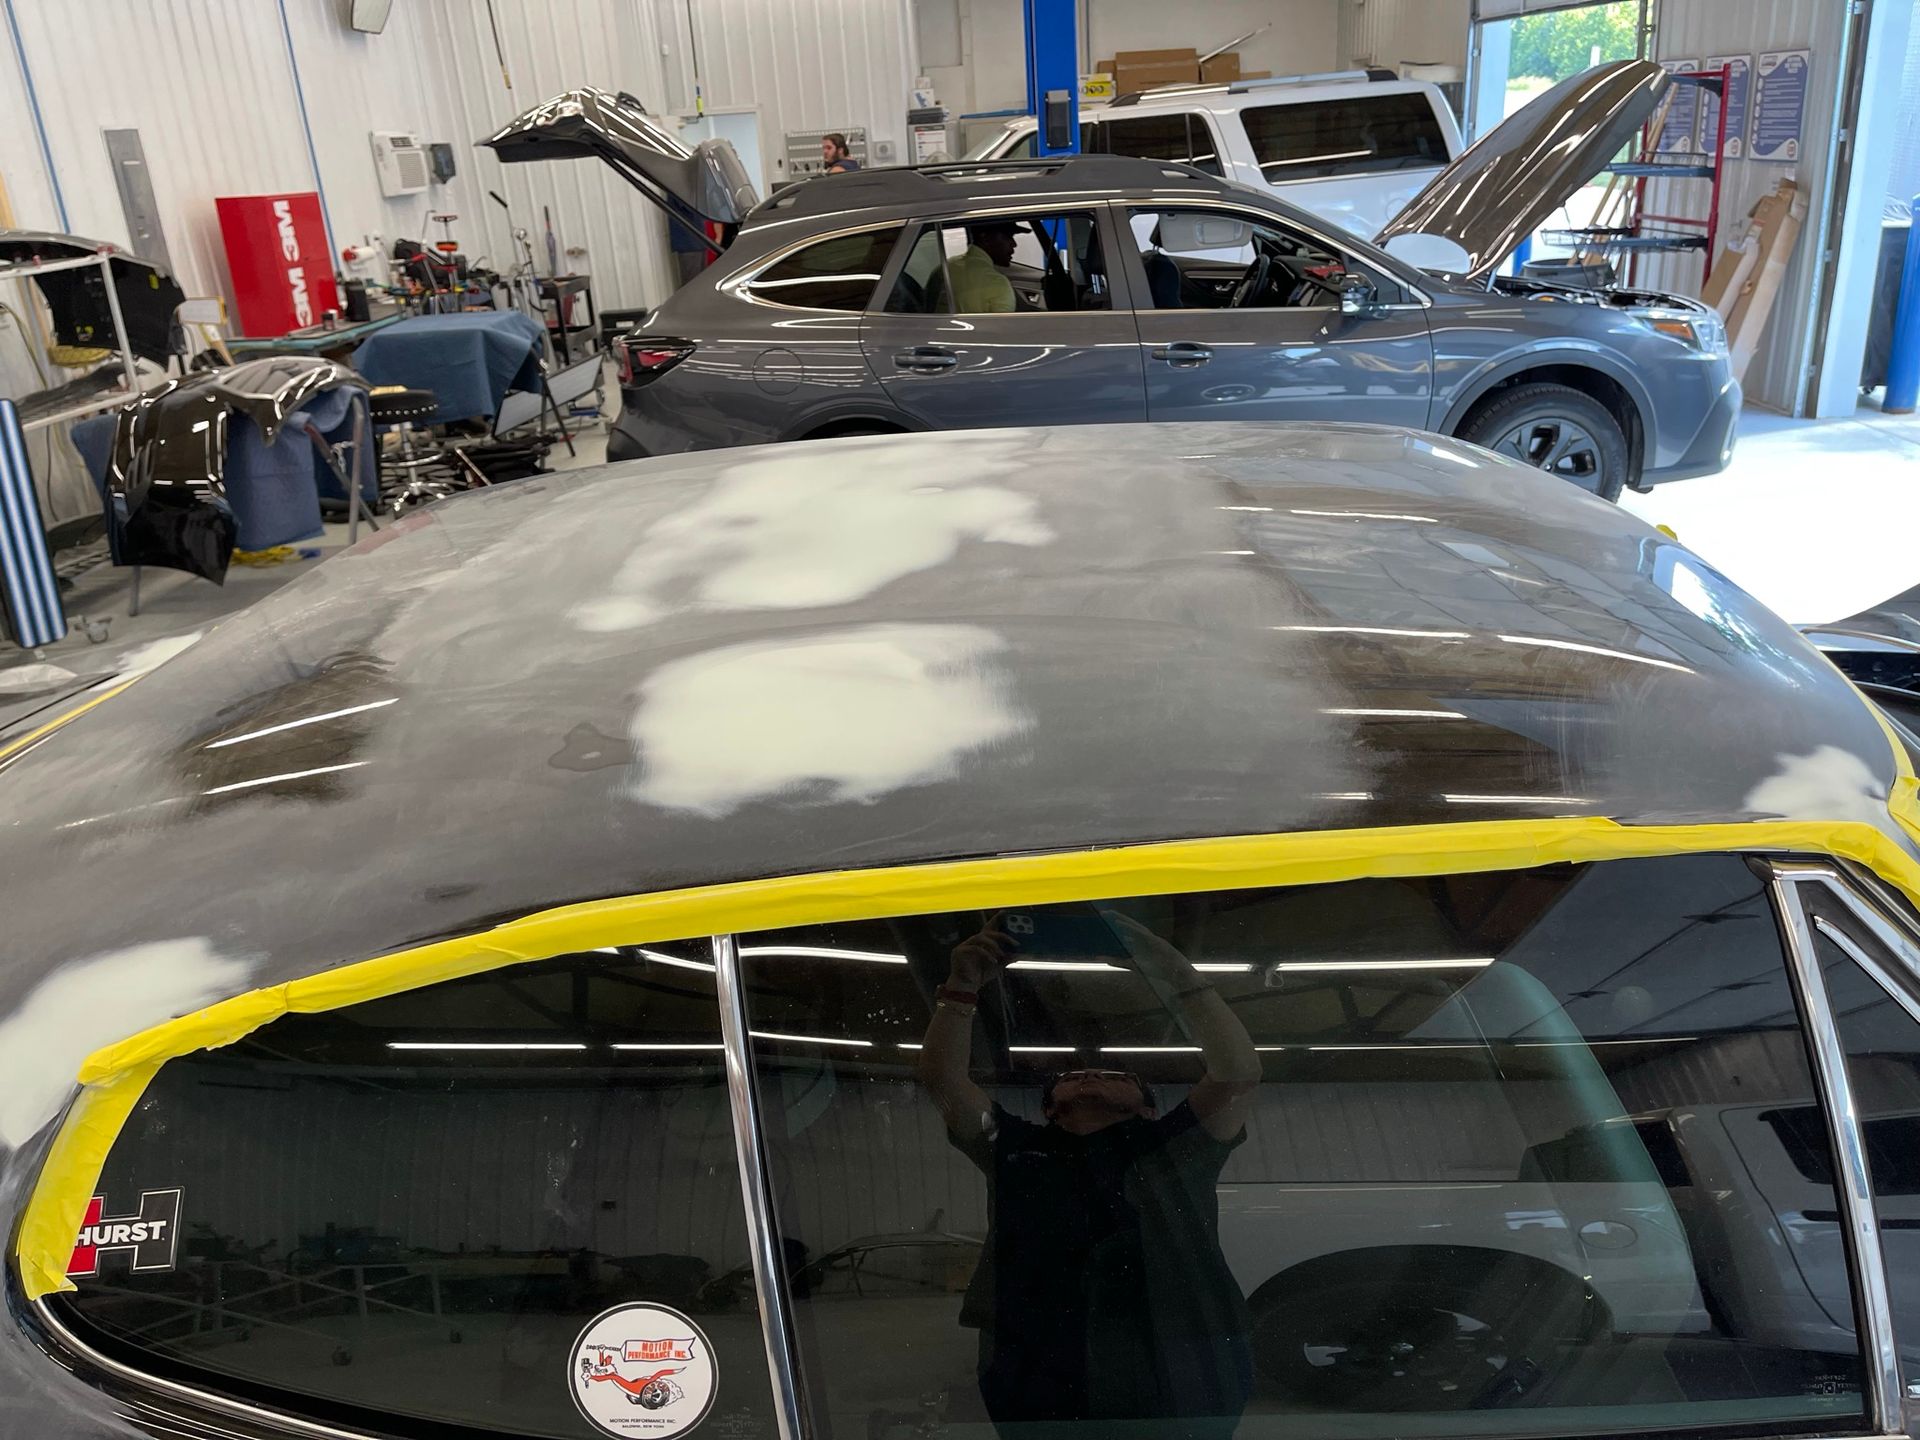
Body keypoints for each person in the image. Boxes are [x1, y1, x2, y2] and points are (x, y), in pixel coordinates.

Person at [917, 910, 1262, 1440]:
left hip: (1180, 1337)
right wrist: (960, 988)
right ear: (1050, 1107)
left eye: (1113, 1073)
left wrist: (1172, 971)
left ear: (1147, 1108)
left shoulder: (1180, 1144)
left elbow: (1237, 1073)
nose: (1090, 1075)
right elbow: (943, 1078)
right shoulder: (1011, 1146)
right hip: (1035, 1344)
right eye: (1073, 1075)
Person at [947, 222, 1018, 314]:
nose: (1014, 244)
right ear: (985, 238)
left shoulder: (945, 267)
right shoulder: (996, 283)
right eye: (1008, 237)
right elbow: (1004, 327)